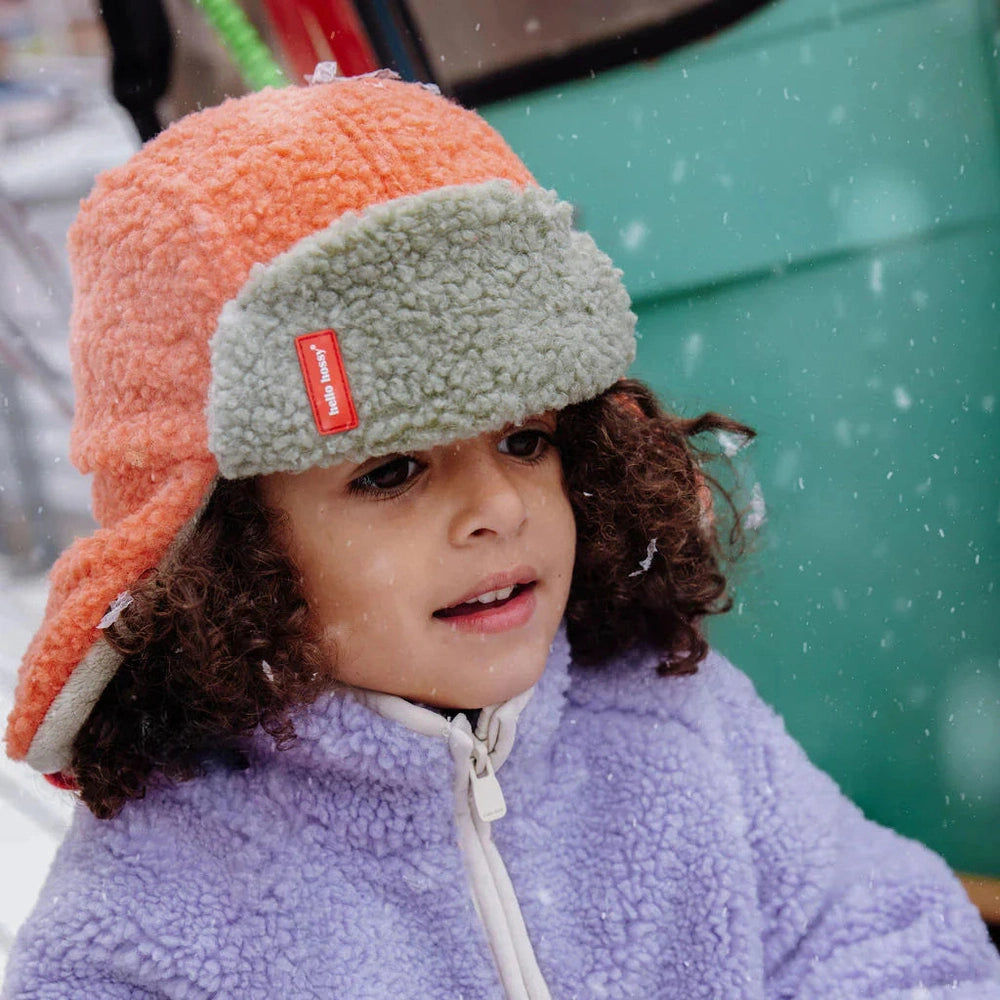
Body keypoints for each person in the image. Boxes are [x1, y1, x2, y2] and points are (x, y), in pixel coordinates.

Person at [3, 70, 998, 1000]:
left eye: (525, 439)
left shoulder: (675, 731)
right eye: (392, 471)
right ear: (224, 553)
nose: (500, 506)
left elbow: (882, 946)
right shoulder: (160, 901)